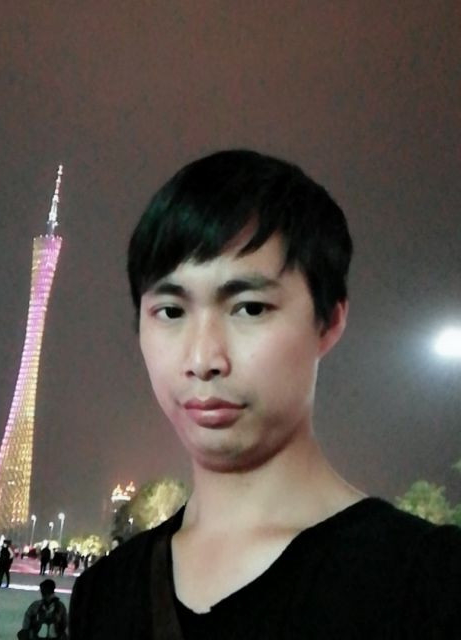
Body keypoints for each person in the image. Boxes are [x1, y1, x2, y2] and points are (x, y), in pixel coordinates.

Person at [69, 149, 461, 638]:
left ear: (330, 321)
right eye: (171, 312)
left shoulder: (430, 585)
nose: (203, 358)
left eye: (249, 308)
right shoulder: (105, 592)